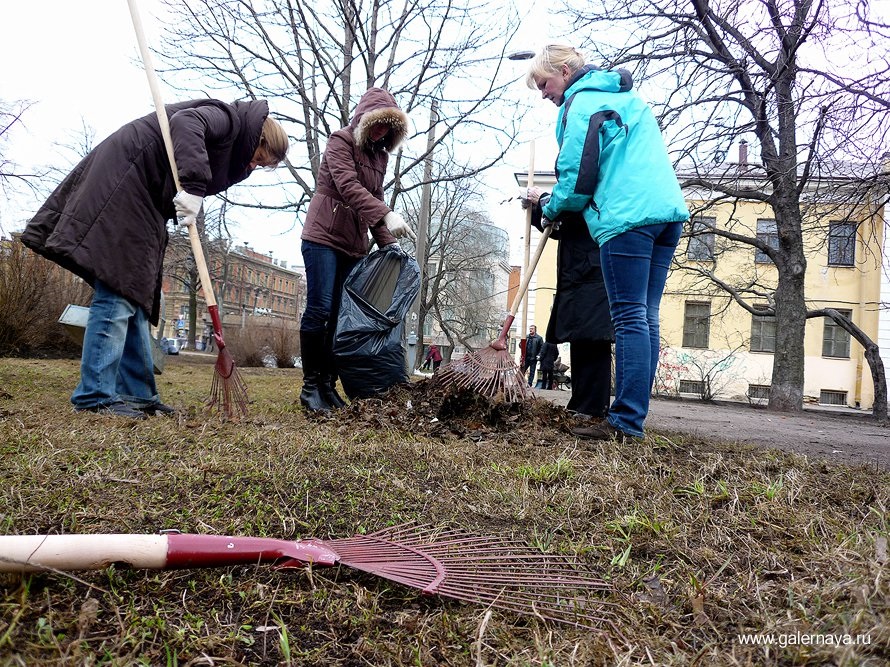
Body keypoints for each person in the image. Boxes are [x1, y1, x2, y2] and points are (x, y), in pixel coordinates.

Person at [21, 99, 288, 419]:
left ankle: (136, 394)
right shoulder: (226, 118)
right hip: (128, 177)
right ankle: (94, 396)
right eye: (258, 159)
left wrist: (190, 192)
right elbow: (187, 123)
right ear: (257, 139)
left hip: (147, 195)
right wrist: (193, 186)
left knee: (135, 292)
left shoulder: (234, 150)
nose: (254, 167)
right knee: (119, 285)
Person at [523, 45, 689, 440]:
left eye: (544, 83)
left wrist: (549, 207)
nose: (544, 93)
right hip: (667, 214)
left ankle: (625, 423)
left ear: (564, 72)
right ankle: (633, 418)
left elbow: (578, 181)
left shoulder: (580, 104)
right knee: (645, 317)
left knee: (629, 317)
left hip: (626, 220)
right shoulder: (628, 99)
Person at [299, 88, 415, 412]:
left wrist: (390, 246)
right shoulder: (341, 141)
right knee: (320, 309)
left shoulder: (381, 156)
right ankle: (311, 387)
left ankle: (327, 385)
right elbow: (349, 187)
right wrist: (386, 213)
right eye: (377, 124)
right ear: (364, 120)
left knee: (341, 320)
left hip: (353, 246)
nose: (381, 132)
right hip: (322, 237)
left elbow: (374, 199)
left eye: (388, 128)